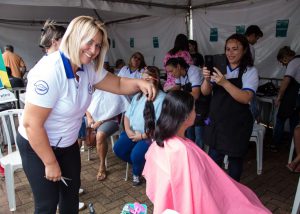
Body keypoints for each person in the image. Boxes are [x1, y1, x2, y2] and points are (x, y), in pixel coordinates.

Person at [16, 16, 156, 213]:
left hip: (67, 143)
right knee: (47, 204)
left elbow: (116, 83)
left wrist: (140, 83)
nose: (94, 50)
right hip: (37, 145)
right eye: (89, 42)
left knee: (70, 198)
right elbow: (32, 124)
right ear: (73, 37)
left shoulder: (87, 68)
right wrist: (50, 162)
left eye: (98, 45)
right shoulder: (48, 71)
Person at [142, 90, 270, 214]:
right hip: (194, 203)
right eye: (194, 109)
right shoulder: (180, 150)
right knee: (246, 204)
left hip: (170, 207)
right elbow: (194, 192)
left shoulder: (160, 141)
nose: (196, 112)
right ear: (186, 117)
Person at [201, 33, 258, 182]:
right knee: (214, 157)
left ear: (244, 50)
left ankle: (233, 191)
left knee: (235, 160)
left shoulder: (249, 71)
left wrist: (224, 83)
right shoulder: (219, 66)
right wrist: (207, 79)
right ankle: (215, 189)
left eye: (235, 49)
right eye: (228, 49)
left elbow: (246, 98)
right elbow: (205, 92)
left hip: (237, 124)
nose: (230, 53)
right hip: (217, 121)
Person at [113, 66, 165, 186]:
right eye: (142, 80)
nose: (144, 83)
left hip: (150, 136)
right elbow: (127, 116)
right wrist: (127, 130)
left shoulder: (162, 99)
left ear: (156, 80)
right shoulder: (138, 96)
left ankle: (137, 172)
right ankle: (143, 166)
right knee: (118, 149)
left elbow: (160, 126)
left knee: (136, 154)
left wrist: (142, 136)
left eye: (147, 80)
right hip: (133, 132)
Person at [85, 89, 129, 181]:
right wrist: (89, 118)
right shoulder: (96, 92)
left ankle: (102, 166)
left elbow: (115, 111)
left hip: (111, 121)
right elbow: (87, 107)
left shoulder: (116, 93)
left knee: (100, 135)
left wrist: (100, 121)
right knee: (77, 126)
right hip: (94, 120)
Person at [165, 57, 205, 148]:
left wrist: (177, 95)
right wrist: (165, 92)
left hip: (201, 105)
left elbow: (196, 94)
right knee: (189, 132)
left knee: (198, 135)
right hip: (189, 106)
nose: (171, 74)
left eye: (171, 71)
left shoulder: (193, 71)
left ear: (178, 66)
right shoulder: (179, 75)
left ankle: (199, 157)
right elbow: (177, 87)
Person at [271, 46, 300, 152]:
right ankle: (293, 147)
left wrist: (279, 97)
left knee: (280, 120)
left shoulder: (293, 62)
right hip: (297, 98)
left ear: (285, 57)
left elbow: (286, 81)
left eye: (282, 62)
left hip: (293, 98)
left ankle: (275, 144)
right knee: (294, 122)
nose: (283, 64)